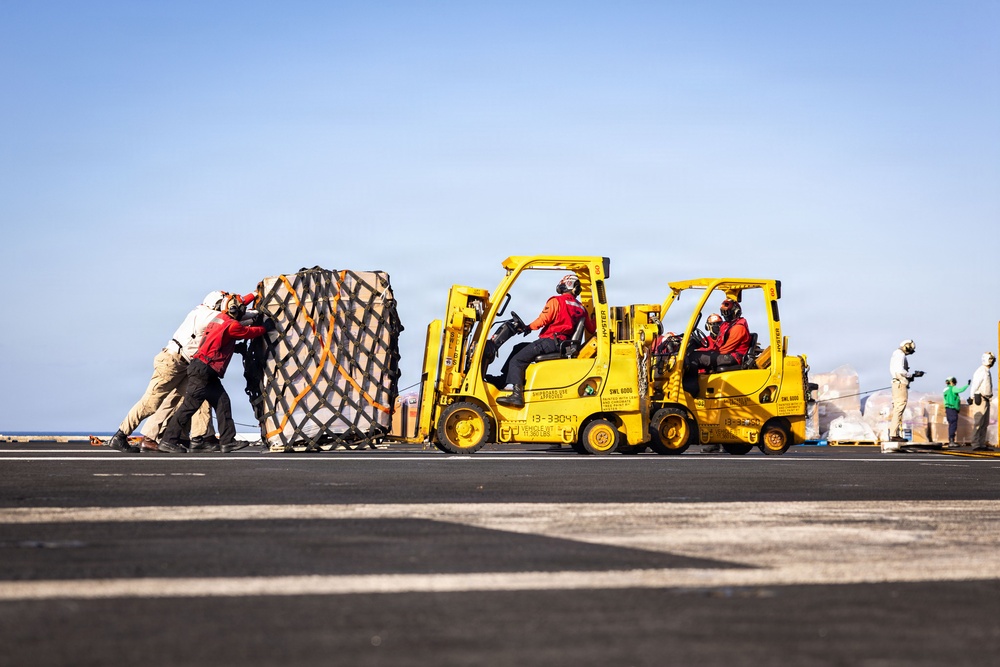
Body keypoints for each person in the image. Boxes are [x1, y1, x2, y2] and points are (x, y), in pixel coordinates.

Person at [106, 291, 254, 454]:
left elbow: (235, 314)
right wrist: (257, 315)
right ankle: (121, 435)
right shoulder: (206, 315)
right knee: (151, 402)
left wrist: (253, 299)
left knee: (193, 399)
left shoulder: (204, 313)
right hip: (173, 362)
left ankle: (192, 438)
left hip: (185, 363)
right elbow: (235, 319)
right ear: (216, 304)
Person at [158, 294, 273, 453]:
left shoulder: (219, 318)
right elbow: (250, 332)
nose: (243, 311)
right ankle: (168, 441)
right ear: (235, 310)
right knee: (189, 406)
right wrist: (266, 327)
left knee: (222, 401)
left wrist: (254, 294)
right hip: (204, 370)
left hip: (205, 369)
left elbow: (222, 339)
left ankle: (227, 441)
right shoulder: (232, 326)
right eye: (241, 309)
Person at [496, 274, 596, 409]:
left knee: (517, 360)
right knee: (518, 348)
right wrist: (595, 315)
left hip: (550, 341)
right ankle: (503, 381)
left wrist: (528, 327)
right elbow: (591, 327)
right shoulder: (581, 308)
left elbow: (543, 320)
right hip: (563, 344)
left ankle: (517, 395)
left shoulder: (556, 301)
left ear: (566, 285)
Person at [688, 300, 751, 372]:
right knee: (697, 355)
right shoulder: (728, 325)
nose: (725, 315)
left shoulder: (738, 328)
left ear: (735, 311)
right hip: (727, 354)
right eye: (723, 313)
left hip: (732, 357)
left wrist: (710, 352)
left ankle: (691, 382)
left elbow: (725, 350)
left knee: (694, 357)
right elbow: (717, 340)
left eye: (726, 312)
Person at [887, 339, 923, 447]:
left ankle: (895, 433)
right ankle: (894, 434)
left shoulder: (896, 354)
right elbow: (900, 372)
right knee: (899, 408)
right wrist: (912, 375)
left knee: (898, 409)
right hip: (900, 384)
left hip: (897, 383)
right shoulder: (900, 355)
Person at [970, 352, 995, 451]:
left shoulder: (987, 371)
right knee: (978, 422)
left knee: (984, 423)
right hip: (980, 398)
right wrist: (972, 396)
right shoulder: (981, 371)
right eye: (990, 359)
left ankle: (981, 443)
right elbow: (975, 384)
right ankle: (976, 444)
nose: (992, 361)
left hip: (986, 398)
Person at [942, 377, 970, 446]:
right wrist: (967, 385)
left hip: (948, 409)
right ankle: (951, 441)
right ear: (951, 382)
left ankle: (951, 440)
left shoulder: (945, 389)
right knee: (953, 425)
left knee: (951, 424)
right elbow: (960, 390)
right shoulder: (953, 388)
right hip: (952, 408)